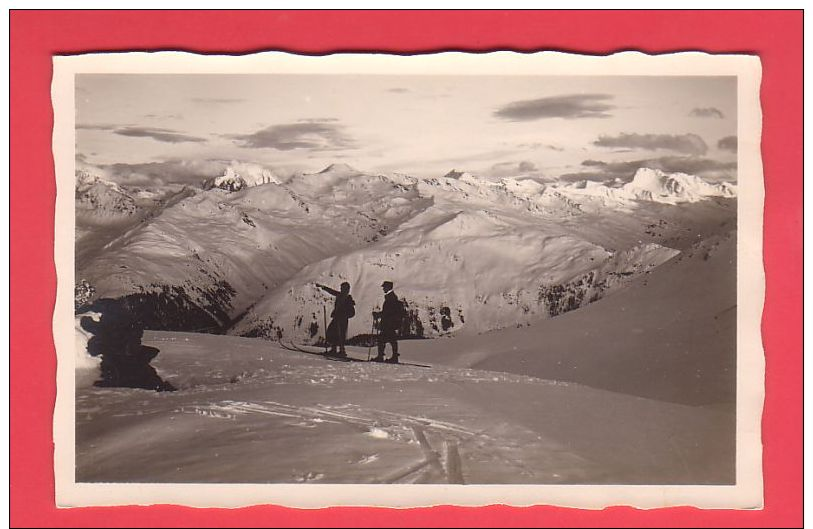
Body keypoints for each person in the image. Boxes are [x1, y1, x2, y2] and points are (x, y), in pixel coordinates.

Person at [316, 281, 355, 357]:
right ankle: (335, 350)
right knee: (333, 332)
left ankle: (341, 351)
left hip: (342, 320)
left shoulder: (348, 299)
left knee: (340, 335)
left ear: (345, 289)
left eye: (342, 288)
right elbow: (332, 291)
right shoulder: (341, 295)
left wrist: (344, 315)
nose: (341, 289)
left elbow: (352, 313)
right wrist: (323, 287)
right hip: (337, 318)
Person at [372, 280, 402, 364]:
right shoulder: (392, 297)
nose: (383, 289)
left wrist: (378, 315)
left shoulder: (390, 298)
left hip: (388, 323)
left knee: (383, 339)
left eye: (384, 287)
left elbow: (387, 312)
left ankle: (382, 356)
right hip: (391, 322)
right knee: (391, 339)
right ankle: (393, 356)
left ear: (388, 287)